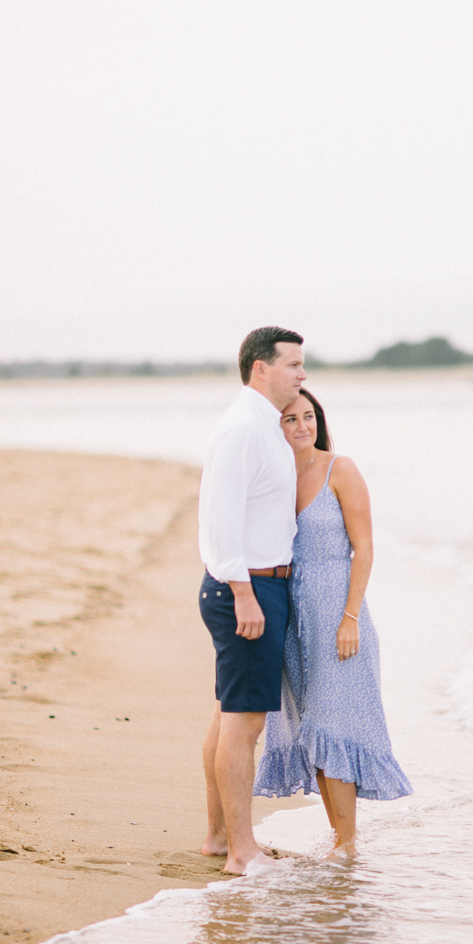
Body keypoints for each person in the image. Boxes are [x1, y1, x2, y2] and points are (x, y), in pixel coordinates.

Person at [254, 388, 412, 858]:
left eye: (308, 416)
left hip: (338, 617)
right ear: (275, 427)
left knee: (333, 726)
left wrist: (350, 618)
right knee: (313, 730)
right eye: (290, 419)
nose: (303, 426)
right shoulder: (277, 477)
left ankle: (347, 845)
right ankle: (341, 840)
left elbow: (363, 547)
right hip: (291, 620)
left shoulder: (340, 468)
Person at [198, 326, 306, 876]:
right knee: (244, 723)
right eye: (292, 364)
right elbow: (220, 521)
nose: (302, 374)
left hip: (258, 585)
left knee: (230, 715)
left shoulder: (265, 427)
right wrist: (244, 592)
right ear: (260, 368)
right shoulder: (243, 428)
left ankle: (220, 839)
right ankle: (243, 853)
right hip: (247, 586)